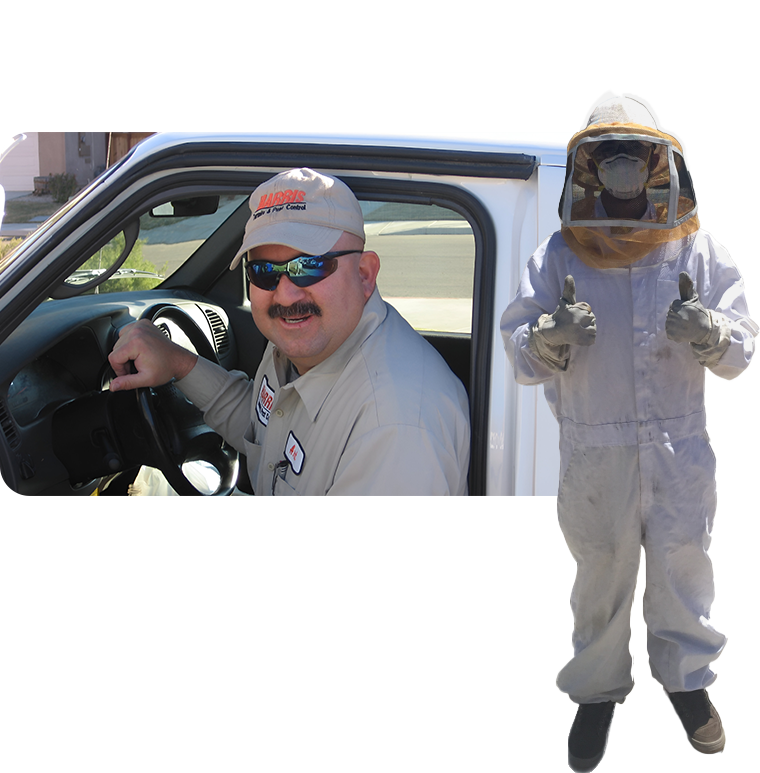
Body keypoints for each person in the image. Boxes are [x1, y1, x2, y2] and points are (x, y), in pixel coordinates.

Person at [500, 97, 756, 771]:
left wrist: (710, 332)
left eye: (633, 158)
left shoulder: (697, 248)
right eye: (607, 158)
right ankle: (596, 692)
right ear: (588, 166)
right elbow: (519, 354)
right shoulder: (559, 253)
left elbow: (741, 353)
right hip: (594, 449)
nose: (621, 172)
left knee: (684, 569)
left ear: (657, 164)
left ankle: (688, 684)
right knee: (600, 579)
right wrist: (547, 337)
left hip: (679, 449)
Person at [109, 168, 471, 496]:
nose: (284, 295)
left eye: (308, 267)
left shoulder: (394, 428)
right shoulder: (304, 341)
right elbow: (263, 431)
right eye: (264, 272)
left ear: (364, 273)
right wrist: (179, 362)